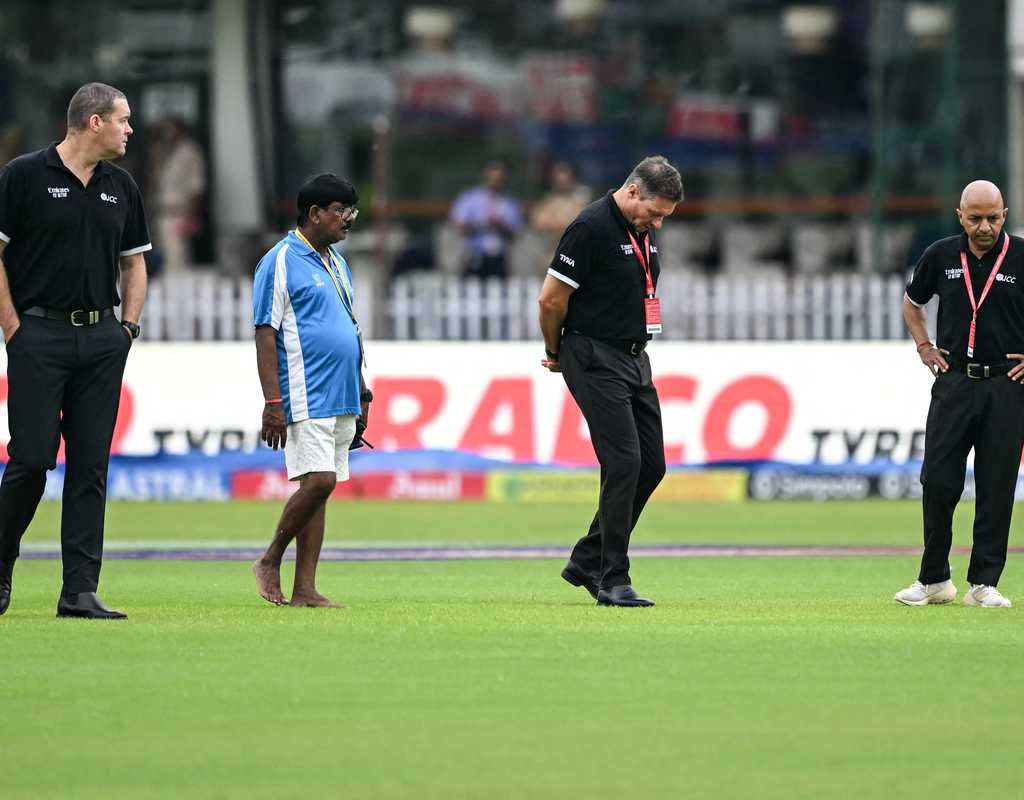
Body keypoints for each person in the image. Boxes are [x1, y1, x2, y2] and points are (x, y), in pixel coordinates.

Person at [0, 82, 150, 619]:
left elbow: (134, 262)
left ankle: (79, 591)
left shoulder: (122, 186)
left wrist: (126, 328)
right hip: (38, 337)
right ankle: (0, 563)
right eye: (123, 120)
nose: (130, 129)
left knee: (90, 467)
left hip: (102, 340)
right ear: (94, 122)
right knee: (32, 460)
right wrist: (14, 327)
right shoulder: (22, 176)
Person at [538, 155, 683, 607]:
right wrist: (555, 352)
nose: (657, 224)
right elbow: (550, 300)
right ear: (633, 190)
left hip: (635, 358)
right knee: (622, 463)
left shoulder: (639, 231)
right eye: (655, 212)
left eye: (664, 217)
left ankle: (586, 558)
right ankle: (611, 578)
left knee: (651, 464)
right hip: (592, 352)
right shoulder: (591, 227)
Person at [896, 179, 1024, 608]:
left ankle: (984, 583)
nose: (984, 226)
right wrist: (923, 345)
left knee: (996, 483)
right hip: (954, 382)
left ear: (1004, 215)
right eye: (975, 218)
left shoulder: (1022, 257)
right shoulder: (941, 255)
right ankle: (934, 579)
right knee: (937, 480)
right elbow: (912, 302)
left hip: (1008, 385)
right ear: (960, 216)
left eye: (992, 218)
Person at [250, 173, 372, 608]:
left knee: (323, 488)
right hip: (304, 391)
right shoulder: (280, 259)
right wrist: (273, 402)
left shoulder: (337, 262)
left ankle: (305, 589)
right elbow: (266, 332)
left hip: (341, 392)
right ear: (315, 213)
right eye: (341, 212)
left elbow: (349, 329)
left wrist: (361, 389)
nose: (348, 220)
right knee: (318, 482)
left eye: (351, 212)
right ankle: (269, 559)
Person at [150, 117, 206, 275]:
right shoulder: (162, 151)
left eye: (169, 129)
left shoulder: (190, 152)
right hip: (161, 212)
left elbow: (196, 187)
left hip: (179, 213)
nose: (166, 134)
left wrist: (192, 216)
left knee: (177, 260)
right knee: (163, 260)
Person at [449, 160, 523, 279]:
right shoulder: (470, 198)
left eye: (499, 180)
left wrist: (500, 225)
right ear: (485, 178)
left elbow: (515, 232)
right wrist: (483, 223)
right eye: (493, 179)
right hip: (475, 256)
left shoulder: (510, 203)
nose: (496, 183)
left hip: (499, 259)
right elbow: (459, 225)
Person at [529, 161, 591, 256]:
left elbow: (578, 224)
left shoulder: (581, 197)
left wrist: (554, 224)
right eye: (557, 180)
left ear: (572, 178)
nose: (561, 182)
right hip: (553, 251)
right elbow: (538, 222)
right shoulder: (551, 199)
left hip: (575, 253)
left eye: (565, 179)